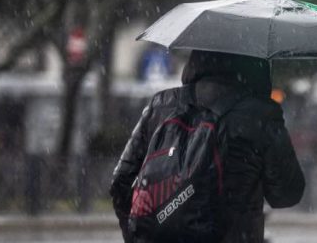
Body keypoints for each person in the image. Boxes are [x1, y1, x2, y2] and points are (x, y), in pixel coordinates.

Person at [110, 50, 305, 243]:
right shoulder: (260, 115)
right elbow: (287, 193)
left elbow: (120, 182)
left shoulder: (161, 105)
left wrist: (139, 234)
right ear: (255, 64)